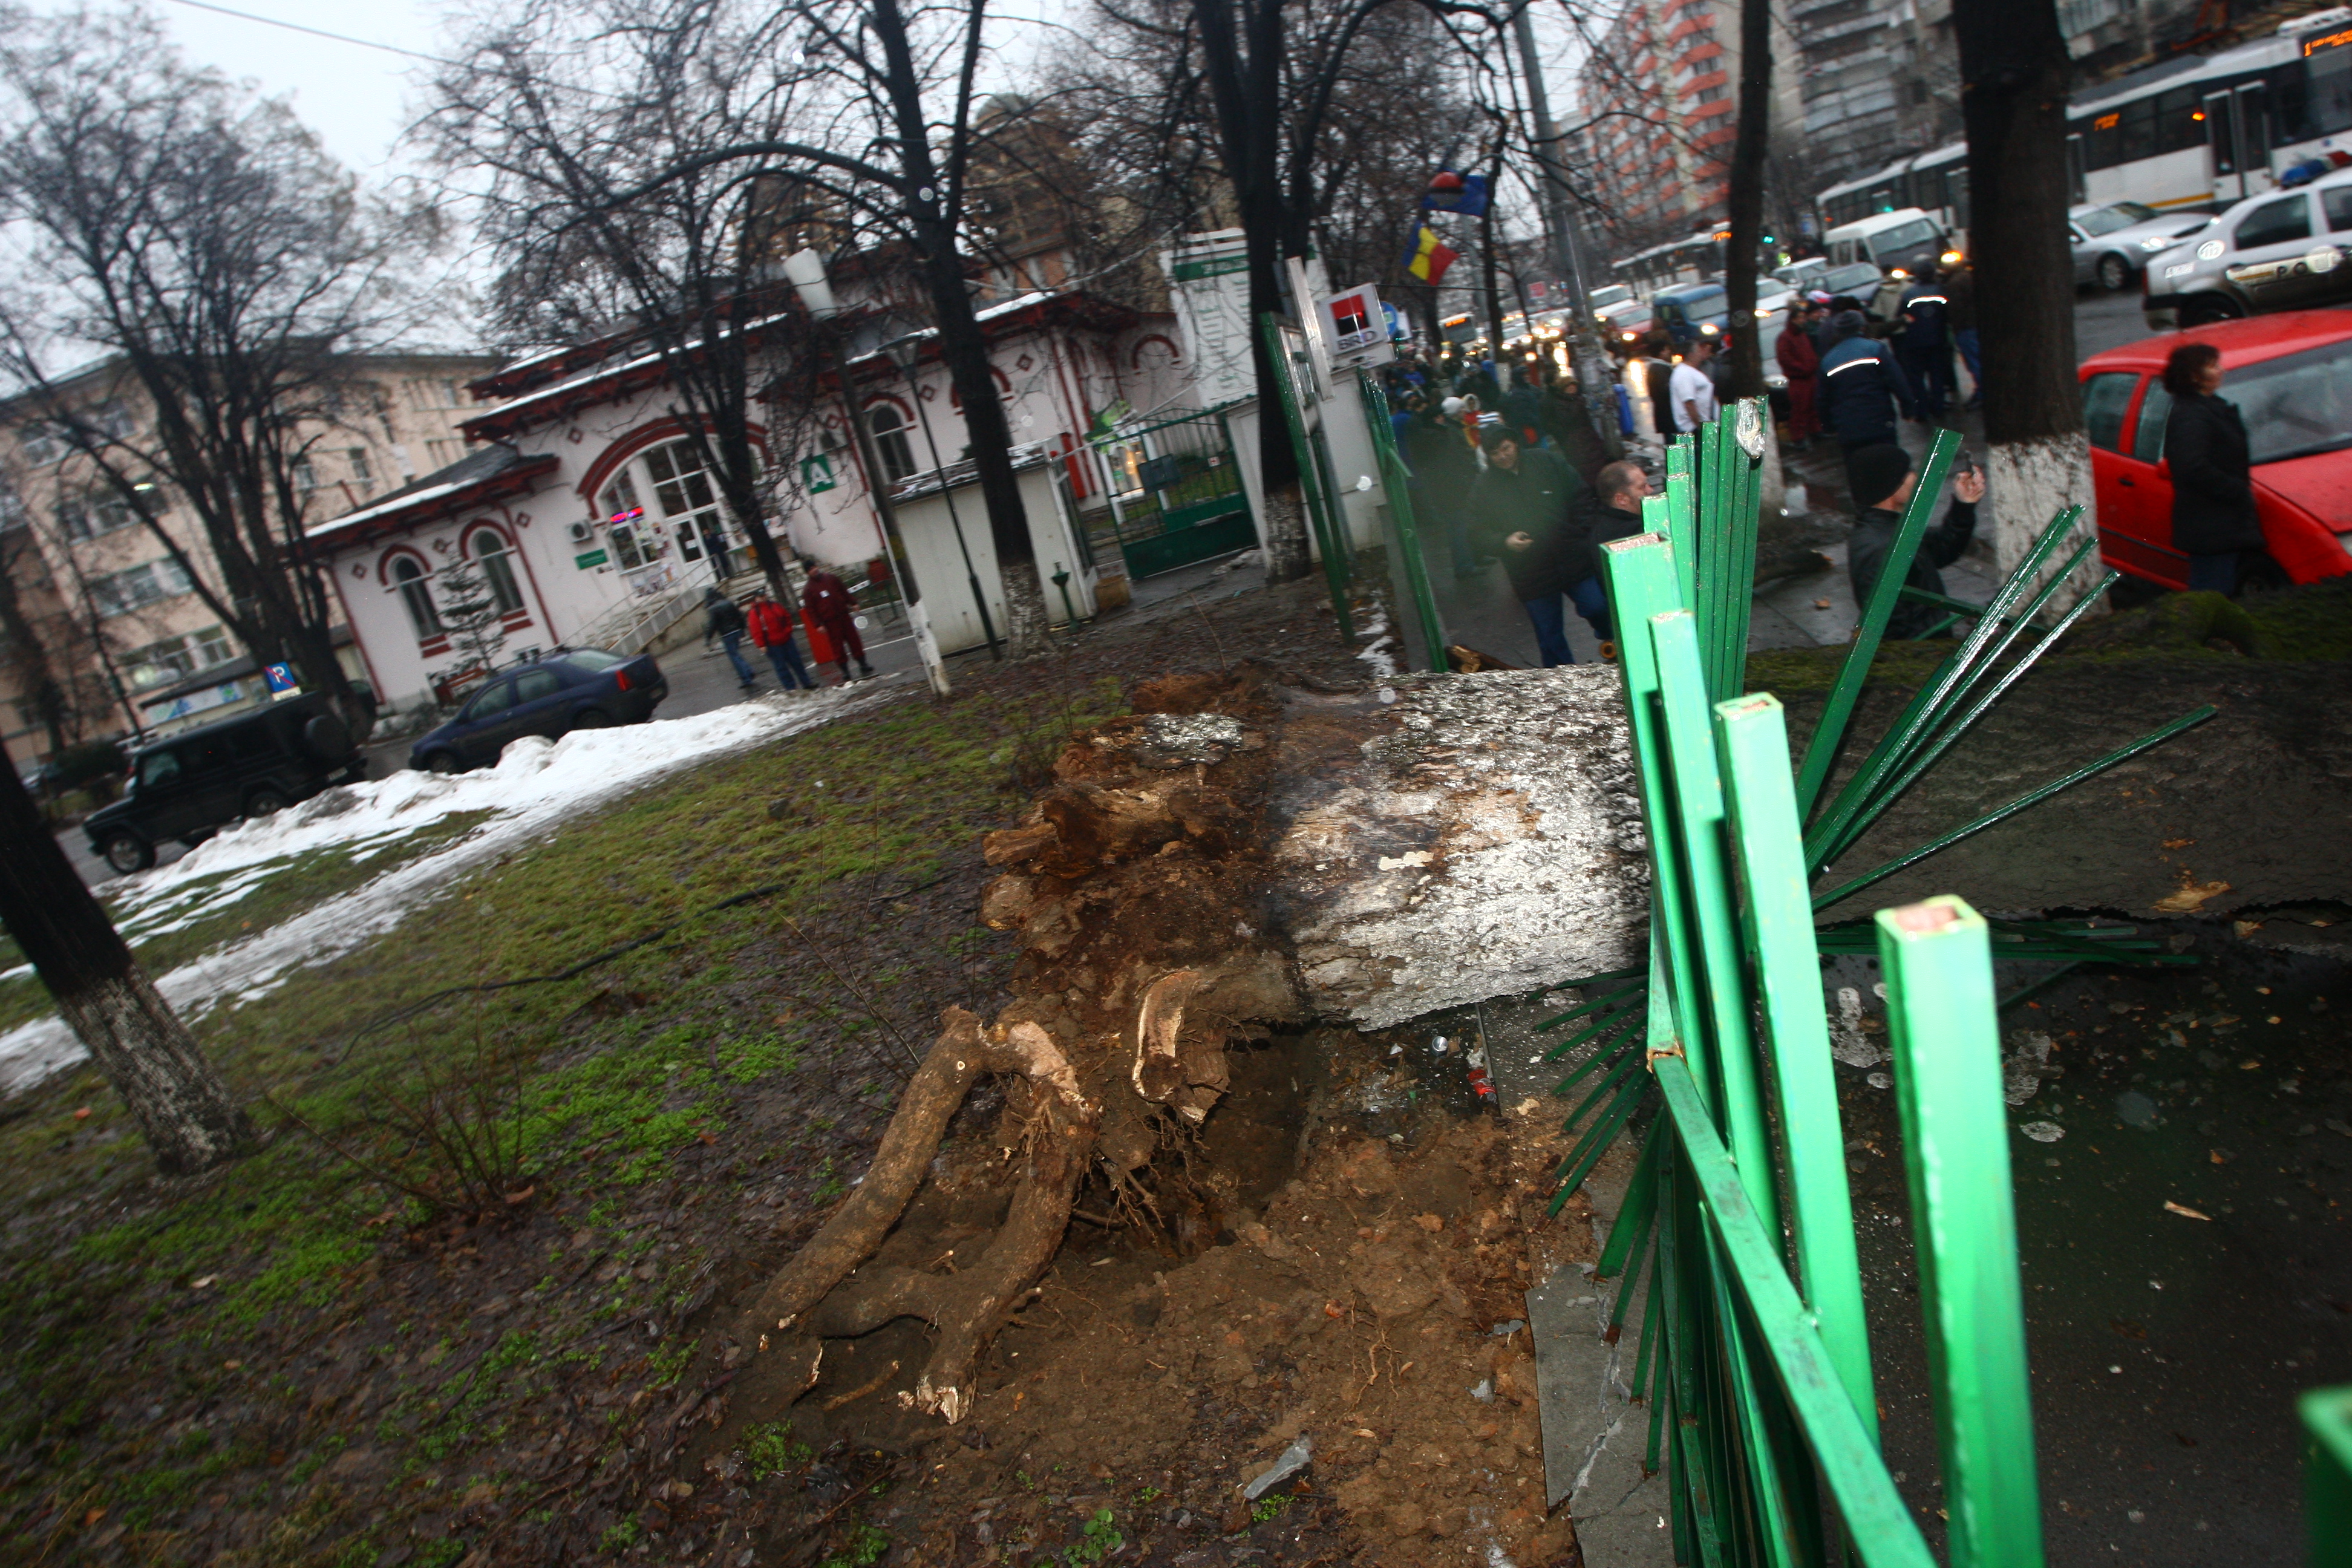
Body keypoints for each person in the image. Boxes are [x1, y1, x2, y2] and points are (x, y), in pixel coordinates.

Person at [1469, 428, 1590, 666]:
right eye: (1495, 453)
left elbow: (1580, 494)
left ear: (1515, 443)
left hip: (1572, 557)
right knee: (1549, 636)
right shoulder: (1484, 488)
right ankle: (1565, 681)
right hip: (1531, 572)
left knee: (1597, 607)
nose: (1503, 456)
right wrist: (1504, 542)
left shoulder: (1545, 462)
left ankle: (1614, 654)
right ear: (1488, 457)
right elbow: (1476, 533)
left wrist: (1582, 531)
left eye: (1506, 448)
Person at [2159, 341, 2271, 594]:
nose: (2222, 370)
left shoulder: (2206, 408)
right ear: (2193, 376)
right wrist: (2237, 491)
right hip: (2212, 524)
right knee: (2212, 590)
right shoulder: (2193, 415)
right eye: (2212, 366)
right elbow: (2191, 466)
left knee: (2216, 584)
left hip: (2216, 522)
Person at [1844, 443, 1987, 639]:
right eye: (1909, 472)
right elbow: (1892, 630)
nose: (1916, 477)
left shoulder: (1888, 530)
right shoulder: (1880, 547)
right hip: (1925, 657)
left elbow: (1942, 549)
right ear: (1892, 485)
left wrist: (1964, 505)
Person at [1558, 459, 1655, 659]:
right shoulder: (1627, 536)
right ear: (1622, 499)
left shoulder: (1608, 526)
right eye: (1642, 487)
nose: (1650, 490)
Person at [1817, 311, 1919, 494]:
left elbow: (1823, 399)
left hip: (1849, 429)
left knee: (1860, 476)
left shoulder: (1828, 362)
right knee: (1890, 470)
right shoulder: (1875, 349)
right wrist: (1909, 409)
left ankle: (1867, 512)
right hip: (1880, 421)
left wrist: (1829, 426)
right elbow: (1897, 381)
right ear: (1861, 328)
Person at [1894, 273, 1952, 420]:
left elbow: (1901, 315)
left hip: (1915, 342)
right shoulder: (1941, 291)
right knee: (1937, 375)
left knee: (1917, 378)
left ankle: (1922, 410)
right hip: (1937, 340)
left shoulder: (1909, 294)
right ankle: (1938, 408)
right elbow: (1948, 314)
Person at [802, 561, 874, 679]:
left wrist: (853, 602)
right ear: (807, 573)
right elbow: (811, 610)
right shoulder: (808, 590)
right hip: (830, 621)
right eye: (810, 569)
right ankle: (845, 671)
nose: (814, 570)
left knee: (854, 640)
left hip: (843, 615)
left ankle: (863, 664)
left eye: (814, 567)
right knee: (837, 646)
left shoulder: (831, 578)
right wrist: (818, 625)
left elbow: (843, 591)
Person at [743, 587, 813, 690]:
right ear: (756, 598)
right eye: (760, 597)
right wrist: (761, 645)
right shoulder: (755, 613)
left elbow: (786, 617)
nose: (763, 598)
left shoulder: (775, 605)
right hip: (773, 645)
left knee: (797, 662)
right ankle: (791, 689)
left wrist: (788, 630)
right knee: (781, 668)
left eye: (764, 595)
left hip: (787, 640)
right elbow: (755, 630)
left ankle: (807, 683)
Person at [1775, 302, 1823, 445]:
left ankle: (1815, 432)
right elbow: (1786, 358)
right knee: (1800, 409)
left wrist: (1813, 364)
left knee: (1813, 406)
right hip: (1799, 379)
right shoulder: (1786, 337)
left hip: (1809, 376)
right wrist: (1803, 368)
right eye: (1801, 318)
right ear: (1793, 320)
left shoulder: (1802, 335)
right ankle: (1799, 438)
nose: (1804, 320)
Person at [1944, 260, 1981, 410]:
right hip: (1975, 324)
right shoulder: (1970, 277)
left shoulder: (1954, 284)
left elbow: (1956, 309)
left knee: (1974, 361)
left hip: (1965, 327)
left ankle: (1982, 394)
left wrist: (1955, 326)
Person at [703, 587, 756, 689]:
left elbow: (712, 625)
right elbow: (739, 615)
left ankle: (746, 677)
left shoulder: (713, 609)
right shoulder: (728, 602)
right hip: (736, 630)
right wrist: (742, 628)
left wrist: (708, 639)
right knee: (736, 654)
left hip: (727, 634)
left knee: (734, 656)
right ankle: (748, 671)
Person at [1670, 337, 1719, 433]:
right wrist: (1701, 428)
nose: (1700, 353)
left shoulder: (1691, 371)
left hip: (1706, 425)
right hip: (1694, 429)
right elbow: (1689, 403)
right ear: (1691, 354)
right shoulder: (1683, 373)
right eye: (1698, 351)